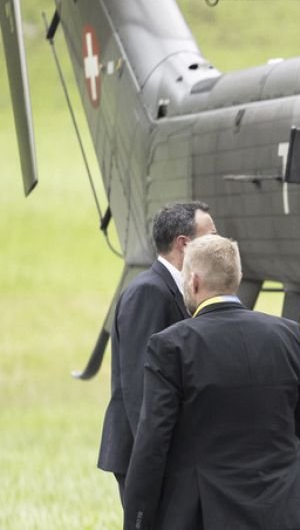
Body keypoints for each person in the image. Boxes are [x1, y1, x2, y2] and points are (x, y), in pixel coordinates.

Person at [122, 235, 300, 530]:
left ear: (193, 281)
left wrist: (137, 520)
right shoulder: (287, 334)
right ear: (238, 277)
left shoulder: (172, 345)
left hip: (209, 509)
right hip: (285, 505)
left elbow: (153, 442)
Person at [98, 201, 217, 501]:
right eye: (212, 235)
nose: (220, 242)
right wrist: (154, 461)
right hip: (147, 457)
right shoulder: (149, 292)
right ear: (184, 244)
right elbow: (141, 384)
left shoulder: (180, 290)